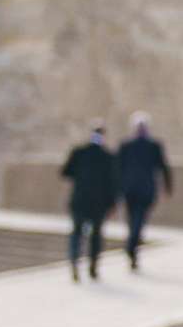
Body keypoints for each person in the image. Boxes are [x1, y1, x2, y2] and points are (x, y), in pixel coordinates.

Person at [58, 123, 119, 282]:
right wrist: (113, 204)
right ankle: (93, 267)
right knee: (96, 236)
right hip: (99, 203)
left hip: (80, 200)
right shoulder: (107, 156)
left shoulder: (79, 152)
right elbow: (113, 183)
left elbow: (65, 172)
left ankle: (74, 262)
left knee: (77, 233)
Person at [115, 111, 173, 271]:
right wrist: (167, 188)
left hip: (132, 189)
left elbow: (117, 170)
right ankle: (132, 244)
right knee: (138, 220)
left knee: (134, 219)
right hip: (144, 189)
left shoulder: (128, 145)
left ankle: (131, 244)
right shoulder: (151, 146)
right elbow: (164, 168)